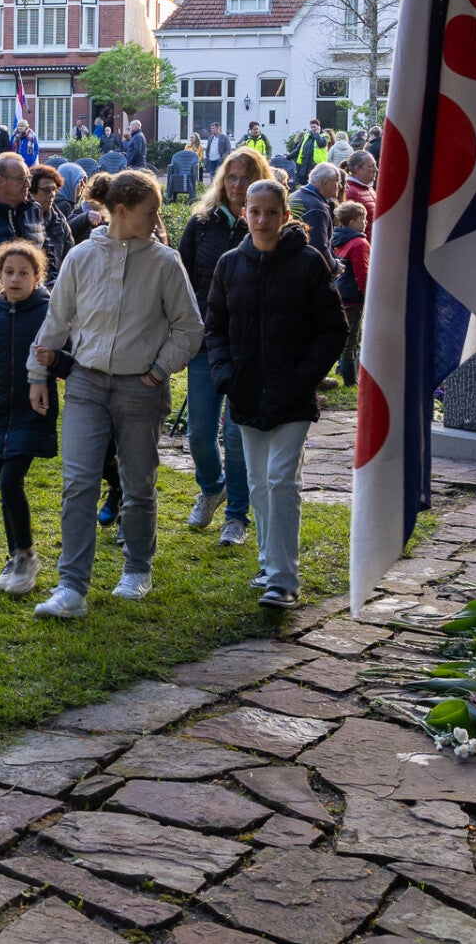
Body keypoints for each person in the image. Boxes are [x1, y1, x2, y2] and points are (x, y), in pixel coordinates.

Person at [28, 170, 202, 618]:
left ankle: (138, 567)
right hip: (86, 382)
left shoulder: (165, 262)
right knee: (78, 484)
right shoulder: (82, 256)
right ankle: (71, 587)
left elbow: (189, 327)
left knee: (138, 483)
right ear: (122, 211)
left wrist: (160, 368)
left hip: (141, 389)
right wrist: (36, 372)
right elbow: (57, 320)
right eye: (151, 211)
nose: (158, 218)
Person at [206, 177, 347, 608]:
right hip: (246, 392)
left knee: (282, 479)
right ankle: (268, 563)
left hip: (292, 397)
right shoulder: (230, 264)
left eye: (271, 212)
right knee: (258, 482)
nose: (262, 220)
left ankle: (284, 581)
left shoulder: (308, 263)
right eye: (254, 212)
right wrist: (226, 375)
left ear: (286, 215)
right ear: (244, 213)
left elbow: (333, 329)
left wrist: (302, 377)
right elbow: (215, 326)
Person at [177, 146, 274, 545]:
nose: (238, 186)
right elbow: (179, 276)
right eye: (231, 177)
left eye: (246, 178)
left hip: (249, 348)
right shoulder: (202, 224)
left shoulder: (266, 225)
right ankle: (211, 486)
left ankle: (237, 514)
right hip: (205, 340)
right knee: (198, 432)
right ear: (221, 180)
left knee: (236, 436)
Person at [0, 239, 60, 597]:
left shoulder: (47, 314)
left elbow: (60, 354)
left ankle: (26, 554)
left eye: (24, 273)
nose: (15, 279)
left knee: (9, 481)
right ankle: (16, 556)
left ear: (37, 277)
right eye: (9, 272)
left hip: (30, 411)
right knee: (8, 488)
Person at [331, 200, 370, 385]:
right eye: (363, 219)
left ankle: (341, 368)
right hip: (353, 296)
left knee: (344, 333)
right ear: (352, 222)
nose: (366, 223)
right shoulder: (359, 243)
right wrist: (368, 296)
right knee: (352, 337)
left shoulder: (338, 239)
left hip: (339, 291)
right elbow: (362, 274)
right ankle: (349, 379)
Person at [28, 163, 72, 282]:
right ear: (31, 191)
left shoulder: (60, 221)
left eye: (54, 189)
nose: (52, 194)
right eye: (46, 190)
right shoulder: (24, 219)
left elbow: (69, 258)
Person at [291, 162, 342, 259]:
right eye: (338, 182)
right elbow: (319, 248)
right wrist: (335, 267)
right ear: (325, 183)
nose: (340, 186)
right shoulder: (316, 208)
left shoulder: (296, 195)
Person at [293, 118, 330, 183]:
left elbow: (321, 144)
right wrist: (288, 156)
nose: (313, 129)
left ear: (319, 127)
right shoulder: (307, 136)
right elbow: (298, 149)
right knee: (303, 183)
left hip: (317, 165)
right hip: (305, 165)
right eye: (311, 127)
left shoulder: (324, 136)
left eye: (314, 127)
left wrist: (317, 134)